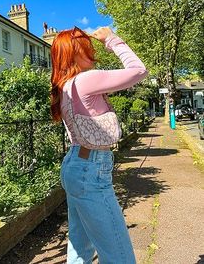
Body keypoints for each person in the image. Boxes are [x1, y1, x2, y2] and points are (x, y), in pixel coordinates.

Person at [50, 26, 148, 264]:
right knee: (120, 256)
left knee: (80, 250)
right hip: (90, 170)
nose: (93, 52)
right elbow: (139, 70)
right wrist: (112, 40)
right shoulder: (86, 80)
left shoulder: (64, 86)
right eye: (87, 48)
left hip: (75, 165)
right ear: (76, 52)